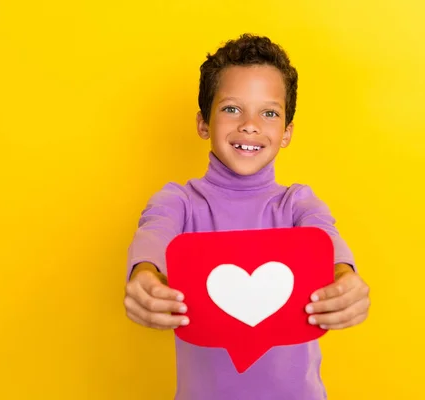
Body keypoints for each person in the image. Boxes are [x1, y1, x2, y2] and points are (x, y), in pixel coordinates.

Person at [123, 33, 371, 400]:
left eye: (269, 113)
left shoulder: (297, 203)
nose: (250, 125)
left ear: (286, 132)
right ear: (203, 123)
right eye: (232, 109)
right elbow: (155, 230)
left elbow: (327, 240)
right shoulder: (181, 202)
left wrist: (345, 278)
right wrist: (143, 271)